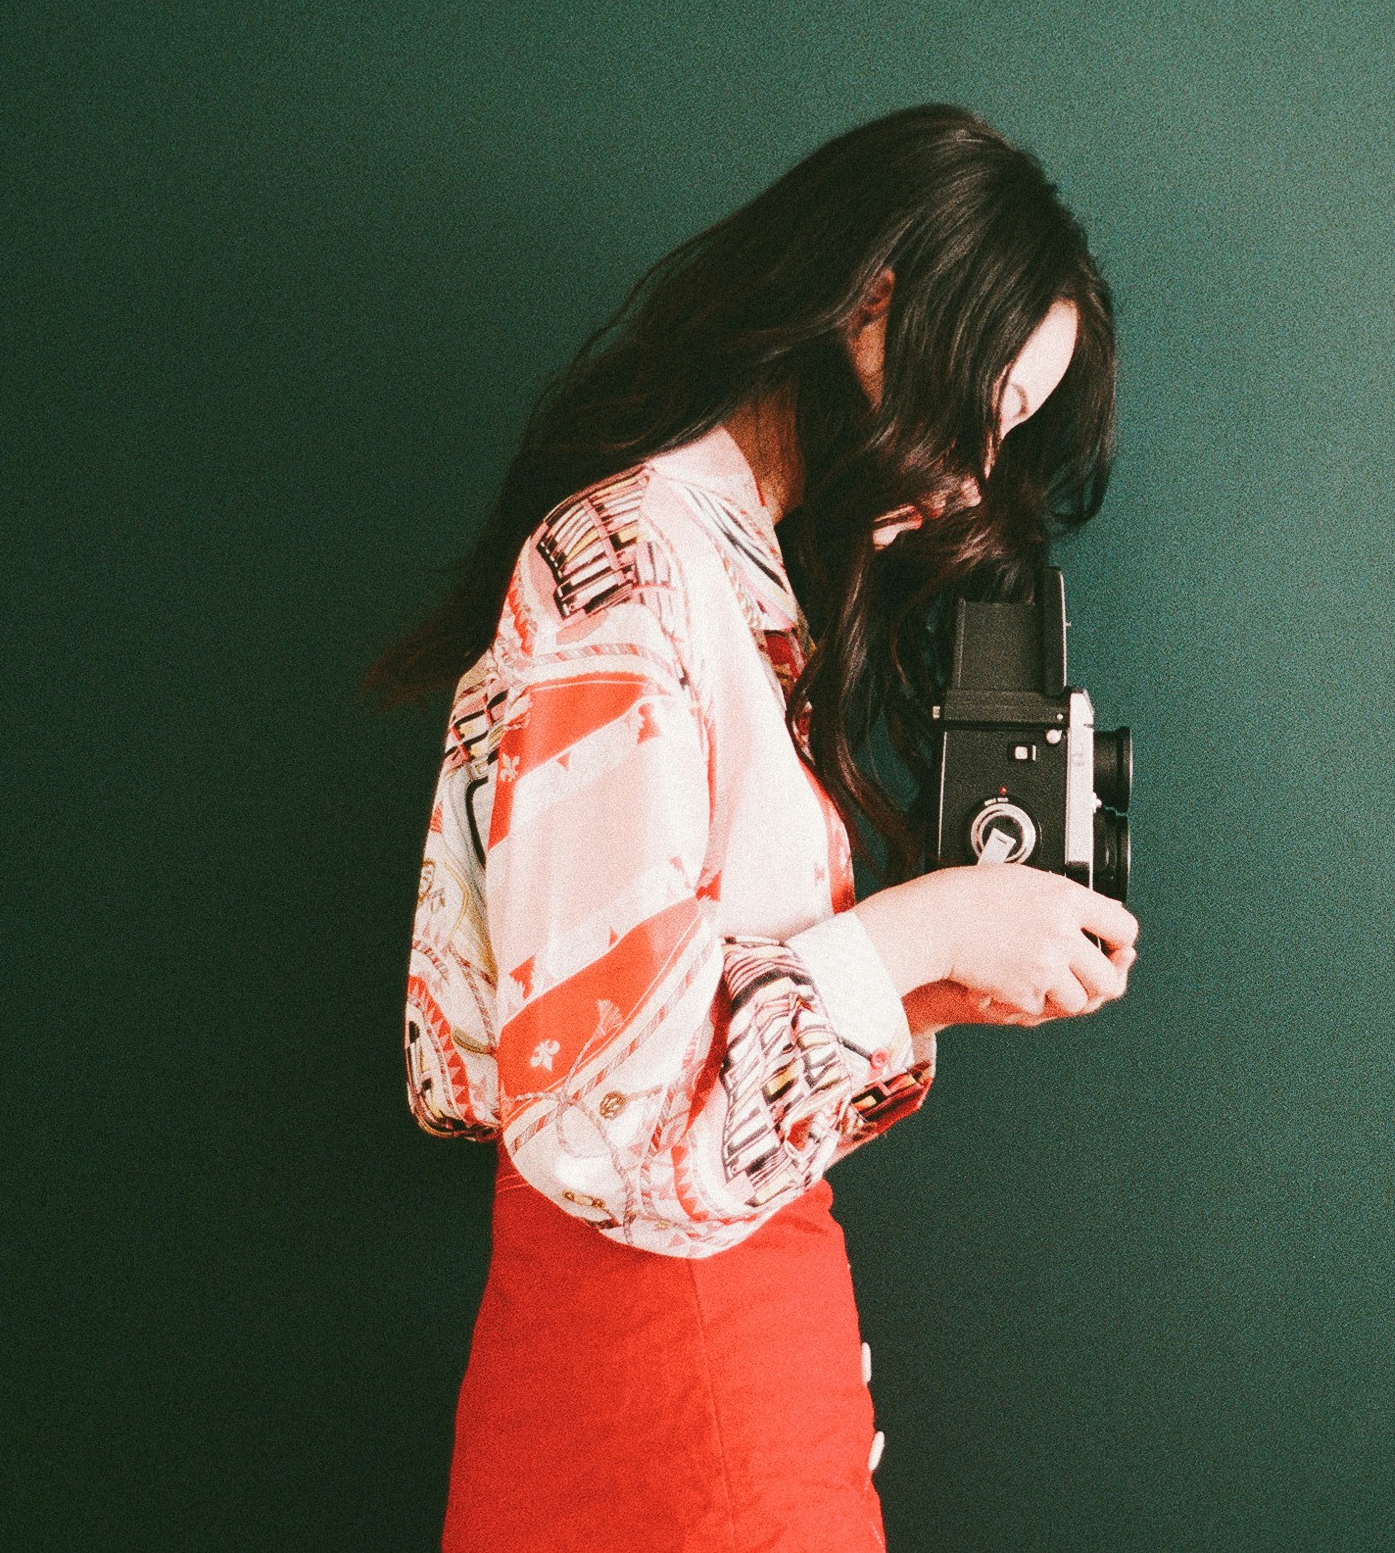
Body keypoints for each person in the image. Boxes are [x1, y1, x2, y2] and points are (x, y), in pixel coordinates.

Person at [367, 105, 1141, 1551]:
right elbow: (600, 1126)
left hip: (732, 1380)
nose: (978, 473)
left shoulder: (730, 592)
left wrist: (934, 987)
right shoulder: (632, 572)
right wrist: (921, 928)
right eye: (987, 403)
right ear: (875, 301)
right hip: (666, 1412)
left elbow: (648, 1053)